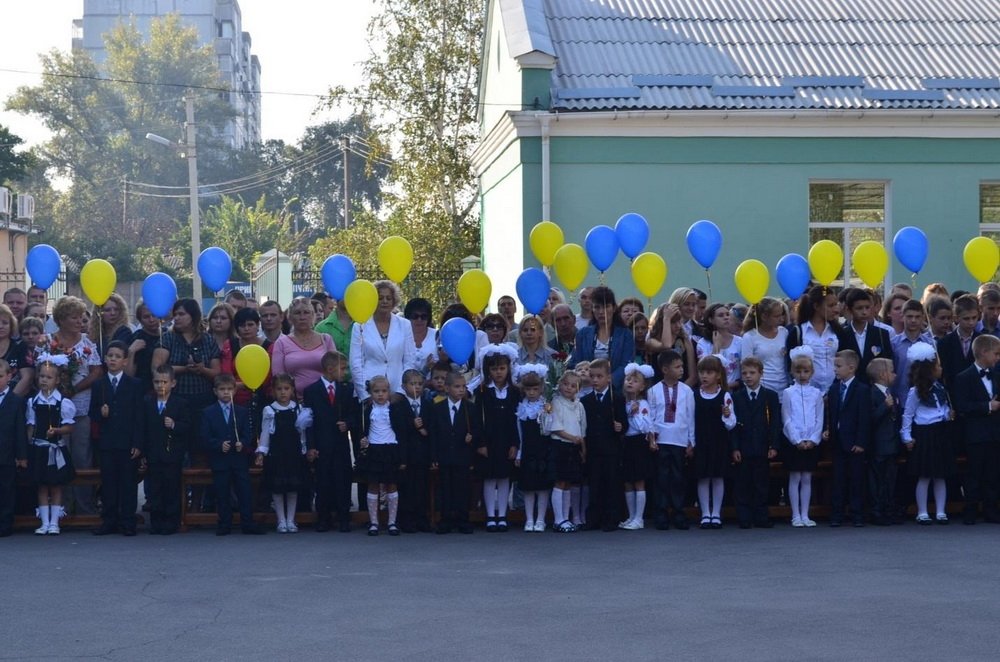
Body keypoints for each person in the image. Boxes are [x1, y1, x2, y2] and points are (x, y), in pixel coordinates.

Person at [38, 295, 102, 515]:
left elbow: (96, 371)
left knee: (82, 456)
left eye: (81, 317)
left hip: (81, 407)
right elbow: (41, 370)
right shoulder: (48, 342)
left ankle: (84, 506)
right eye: (74, 317)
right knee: (59, 454)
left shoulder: (87, 343)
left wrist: (74, 388)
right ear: (61, 319)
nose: (79, 321)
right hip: (54, 408)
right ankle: (63, 507)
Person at [89, 341, 143, 536]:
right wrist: (100, 413)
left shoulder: (134, 384)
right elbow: (92, 413)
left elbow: (139, 416)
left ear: (125, 361)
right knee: (109, 483)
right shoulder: (99, 385)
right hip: (107, 442)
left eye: (117, 356)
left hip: (127, 441)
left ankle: (128, 521)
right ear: (105, 359)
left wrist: (137, 443)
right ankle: (109, 520)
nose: (113, 359)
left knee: (128, 483)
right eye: (110, 356)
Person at [201, 373, 263, 536]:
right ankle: (224, 523)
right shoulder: (208, 412)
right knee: (222, 493)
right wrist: (218, 444)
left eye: (229, 389)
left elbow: (248, 434)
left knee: (244, 491)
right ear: (215, 391)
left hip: (238, 459)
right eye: (222, 389)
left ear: (235, 391)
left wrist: (242, 443)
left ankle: (247, 522)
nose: (226, 392)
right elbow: (205, 436)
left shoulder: (241, 411)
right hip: (220, 460)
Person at [303, 351, 358, 533]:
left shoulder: (346, 389)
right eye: (343, 368)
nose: (345, 372)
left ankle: (344, 517)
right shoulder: (312, 391)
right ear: (330, 369)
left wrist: (347, 423)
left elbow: (353, 414)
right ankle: (323, 518)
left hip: (340, 444)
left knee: (342, 480)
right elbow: (309, 422)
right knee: (323, 481)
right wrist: (311, 446)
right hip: (321, 444)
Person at [901, 343, 954, 525]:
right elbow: (908, 415)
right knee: (924, 475)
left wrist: (948, 415)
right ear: (929, 369)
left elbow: (942, 409)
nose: (941, 368)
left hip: (940, 432)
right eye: (938, 365)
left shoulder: (941, 388)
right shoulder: (915, 392)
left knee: (940, 474)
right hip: (924, 434)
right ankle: (922, 511)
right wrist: (907, 437)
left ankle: (940, 511)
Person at [952, 334, 1000, 525]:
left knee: (993, 473)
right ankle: (970, 508)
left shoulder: (997, 375)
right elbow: (962, 406)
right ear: (984, 352)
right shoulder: (964, 377)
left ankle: (991, 509)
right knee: (973, 473)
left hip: (995, 433)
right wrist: (987, 406)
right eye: (996, 354)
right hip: (975, 434)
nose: (998, 358)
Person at [27, 355, 76, 535]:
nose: (44, 380)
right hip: (39, 449)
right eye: (41, 376)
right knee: (41, 485)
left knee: (55, 485)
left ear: (57, 380)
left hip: (56, 450)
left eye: (48, 377)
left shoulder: (63, 402)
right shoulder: (33, 402)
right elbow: (31, 426)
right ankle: (44, 522)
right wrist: (29, 444)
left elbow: (70, 427)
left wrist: (57, 431)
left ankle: (55, 522)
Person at [256, 373, 311, 534]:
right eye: (279, 389)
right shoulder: (270, 410)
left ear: (292, 390)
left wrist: (304, 449)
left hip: (293, 453)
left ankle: (291, 519)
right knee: (277, 487)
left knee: (293, 487)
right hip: (276, 453)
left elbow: (302, 432)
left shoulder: (298, 409)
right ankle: (281, 519)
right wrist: (261, 452)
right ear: (273, 391)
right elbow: (265, 433)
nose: (283, 392)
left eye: (286, 389)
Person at [730, 357, 780, 529]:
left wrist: (774, 445)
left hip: (762, 446)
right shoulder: (736, 397)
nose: (748, 376)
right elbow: (733, 425)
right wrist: (735, 447)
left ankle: (761, 516)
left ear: (761, 373)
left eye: (752, 373)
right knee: (743, 483)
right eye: (744, 373)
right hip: (743, 447)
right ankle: (744, 516)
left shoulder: (770, 396)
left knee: (761, 483)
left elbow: (775, 423)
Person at [429, 371, 481, 534]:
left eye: (463, 387)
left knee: (462, 488)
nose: (461, 390)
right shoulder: (437, 408)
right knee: (445, 488)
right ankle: (445, 519)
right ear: (447, 388)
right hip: (444, 455)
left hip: (463, 455)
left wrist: (472, 437)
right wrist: (434, 456)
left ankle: (463, 519)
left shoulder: (470, 408)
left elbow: (477, 429)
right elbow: (434, 433)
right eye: (457, 387)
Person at [648, 349, 694, 531]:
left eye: (682, 366)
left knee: (678, 478)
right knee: (661, 479)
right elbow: (651, 417)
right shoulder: (653, 391)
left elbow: (690, 417)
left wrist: (691, 441)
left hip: (680, 441)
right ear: (665, 369)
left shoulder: (687, 391)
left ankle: (679, 513)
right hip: (661, 441)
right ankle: (660, 514)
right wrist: (651, 438)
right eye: (677, 367)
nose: (681, 369)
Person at [475, 343, 519, 532]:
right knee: (489, 477)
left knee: (504, 477)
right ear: (488, 370)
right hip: (489, 440)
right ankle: (490, 515)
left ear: (508, 369)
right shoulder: (482, 391)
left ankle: (502, 514)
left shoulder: (514, 392)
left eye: (502, 368)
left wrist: (515, 444)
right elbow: (478, 419)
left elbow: (517, 419)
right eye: (494, 369)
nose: (498, 372)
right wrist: (481, 443)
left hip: (506, 440)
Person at [357, 374, 409, 536]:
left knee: (391, 484)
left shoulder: (395, 409)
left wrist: (403, 457)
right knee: (373, 485)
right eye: (376, 391)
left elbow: (402, 432)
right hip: (374, 450)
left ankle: (392, 522)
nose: (380, 394)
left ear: (389, 392)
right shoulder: (366, 409)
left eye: (384, 391)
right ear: (370, 393)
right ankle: (374, 522)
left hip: (391, 449)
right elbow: (360, 429)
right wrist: (362, 439)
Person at [142, 364, 190, 535]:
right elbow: (143, 428)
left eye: (164, 382)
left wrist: (175, 425)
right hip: (153, 452)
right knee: (155, 488)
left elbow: (188, 426)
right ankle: (156, 522)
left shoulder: (180, 403)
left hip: (172, 453)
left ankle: (171, 522)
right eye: (157, 382)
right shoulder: (147, 402)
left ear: (173, 383)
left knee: (171, 487)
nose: (160, 385)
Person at [826, 349, 871, 528]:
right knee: (838, 479)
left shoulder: (862, 390)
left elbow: (864, 418)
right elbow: (832, 414)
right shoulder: (834, 389)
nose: (835, 369)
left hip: (854, 443)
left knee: (856, 480)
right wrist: (829, 430)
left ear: (851, 368)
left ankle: (857, 514)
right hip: (838, 441)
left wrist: (861, 441)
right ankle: (836, 514)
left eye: (838, 366)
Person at [350, 281, 417, 400]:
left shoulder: (405, 325)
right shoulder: (359, 325)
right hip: (369, 390)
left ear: (394, 301)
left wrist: (401, 391)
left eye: (388, 298)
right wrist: (365, 395)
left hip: (397, 390)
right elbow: (356, 363)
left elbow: (410, 360)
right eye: (380, 298)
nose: (385, 301)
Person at [579, 358, 625, 532]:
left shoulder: (617, 398)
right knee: (594, 484)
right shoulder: (586, 401)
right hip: (593, 448)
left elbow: (624, 422)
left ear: (609, 378)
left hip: (611, 449)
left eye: (599, 376)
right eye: (592, 376)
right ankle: (593, 518)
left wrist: (620, 426)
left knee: (611, 484)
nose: (595, 380)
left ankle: (611, 518)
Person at [782, 346, 824, 527]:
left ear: (812, 372)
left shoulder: (816, 394)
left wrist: (813, 439)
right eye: (798, 371)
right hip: (795, 442)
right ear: (792, 372)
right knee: (795, 477)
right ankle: (795, 515)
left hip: (811, 441)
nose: (802, 375)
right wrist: (797, 440)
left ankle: (805, 514)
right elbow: (786, 418)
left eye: (806, 371)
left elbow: (819, 418)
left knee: (807, 477)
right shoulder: (788, 393)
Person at [540, 370, 586, 533]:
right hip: (560, 446)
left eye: (573, 386)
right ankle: (558, 519)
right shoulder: (556, 402)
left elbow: (582, 429)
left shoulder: (579, 405)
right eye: (565, 384)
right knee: (559, 482)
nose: (568, 388)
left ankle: (566, 518)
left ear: (578, 389)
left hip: (574, 448)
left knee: (568, 483)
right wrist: (572, 438)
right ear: (559, 384)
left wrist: (583, 449)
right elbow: (555, 427)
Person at [693, 355, 736, 529]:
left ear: (718, 375)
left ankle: (716, 512)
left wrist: (727, 415)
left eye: (709, 372)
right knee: (703, 477)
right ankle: (705, 513)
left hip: (719, 442)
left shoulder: (725, 395)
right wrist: (691, 441)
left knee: (718, 477)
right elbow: (690, 419)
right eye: (702, 372)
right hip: (701, 441)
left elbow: (731, 423)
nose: (704, 376)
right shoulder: (695, 395)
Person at [569, 286, 635, 390]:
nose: (601, 312)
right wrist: (587, 378)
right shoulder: (582, 334)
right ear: (592, 309)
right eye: (597, 307)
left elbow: (626, 364)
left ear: (614, 308)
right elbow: (575, 362)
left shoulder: (625, 334)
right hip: (586, 389)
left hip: (616, 390)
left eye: (606, 307)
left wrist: (607, 381)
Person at [513, 363, 551, 532]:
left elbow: (549, 429)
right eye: (528, 389)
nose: (532, 393)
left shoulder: (546, 406)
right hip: (527, 450)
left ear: (541, 388)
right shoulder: (521, 408)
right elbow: (519, 433)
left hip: (542, 450)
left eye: (535, 389)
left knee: (542, 487)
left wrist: (547, 414)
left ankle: (541, 519)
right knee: (528, 487)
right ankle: (529, 519)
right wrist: (519, 453)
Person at [272, 297, 335, 398]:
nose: (302, 317)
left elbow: (335, 372)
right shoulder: (281, 343)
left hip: (324, 399)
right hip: (293, 400)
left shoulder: (326, 339)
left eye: (306, 312)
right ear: (290, 317)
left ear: (313, 315)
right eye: (297, 313)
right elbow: (278, 377)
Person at [619, 363, 654, 530]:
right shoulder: (623, 403)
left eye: (634, 381)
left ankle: (639, 518)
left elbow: (644, 427)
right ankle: (631, 516)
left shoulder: (643, 404)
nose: (630, 383)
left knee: (639, 480)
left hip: (639, 442)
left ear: (642, 386)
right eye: (628, 379)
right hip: (626, 442)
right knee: (627, 481)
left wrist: (634, 414)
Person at [787, 285, 841, 392]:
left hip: (834, 390)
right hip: (807, 390)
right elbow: (790, 364)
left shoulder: (838, 331)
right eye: (830, 306)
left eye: (836, 304)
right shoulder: (798, 332)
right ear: (816, 306)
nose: (835, 310)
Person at [398, 369, 433, 533]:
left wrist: (425, 429)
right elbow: (398, 428)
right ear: (403, 386)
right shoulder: (398, 406)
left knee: (422, 487)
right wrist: (412, 424)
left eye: (419, 384)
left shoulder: (428, 404)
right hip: (407, 454)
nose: (416, 387)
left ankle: (422, 518)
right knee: (407, 488)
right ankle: (407, 519)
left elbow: (433, 427)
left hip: (423, 454)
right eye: (412, 384)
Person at [867, 358, 900, 526]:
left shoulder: (891, 393)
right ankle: (876, 511)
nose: (895, 374)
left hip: (892, 444)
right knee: (877, 479)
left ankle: (889, 509)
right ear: (882, 375)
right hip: (879, 445)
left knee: (890, 479)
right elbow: (869, 419)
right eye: (892, 371)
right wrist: (885, 407)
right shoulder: (872, 393)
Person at [0, 359, 26, 537]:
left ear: (9, 376)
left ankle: (5, 523)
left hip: (7, 453)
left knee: (6, 489)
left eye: (0, 376)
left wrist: (21, 455)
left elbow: (20, 430)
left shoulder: (16, 401)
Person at [741, 297, 789, 392]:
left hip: (784, 387)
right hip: (763, 388)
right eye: (776, 316)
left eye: (781, 315)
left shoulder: (784, 332)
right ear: (764, 317)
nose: (781, 319)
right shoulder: (750, 337)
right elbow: (746, 364)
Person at [891, 299, 934, 406]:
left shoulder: (931, 343)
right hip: (901, 398)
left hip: (925, 398)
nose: (913, 320)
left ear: (923, 318)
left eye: (917, 317)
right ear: (902, 317)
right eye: (909, 316)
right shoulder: (894, 344)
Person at [646, 302, 697, 387]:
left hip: (681, 388)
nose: (678, 325)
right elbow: (666, 346)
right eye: (673, 322)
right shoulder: (651, 341)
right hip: (658, 388)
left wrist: (679, 390)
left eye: (679, 321)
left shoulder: (685, 340)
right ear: (662, 322)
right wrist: (666, 318)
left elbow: (693, 376)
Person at [696, 303, 743, 391]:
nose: (726, 317)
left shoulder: (739, 341)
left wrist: (729, 385)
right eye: (721, 315)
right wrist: (716, 347)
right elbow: (706, 369)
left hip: (736, 390)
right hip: (712, 390)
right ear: (711, 320)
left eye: (727, 314)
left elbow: (744, 368)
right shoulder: (703, 343)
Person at [937, 294, 979, 388]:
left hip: (977, 392)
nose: (971, 322)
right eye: (966, 318)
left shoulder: (982, 340)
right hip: (953, 391)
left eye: (974, 317)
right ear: (956, 318)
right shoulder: (944, 343)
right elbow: (943, 373)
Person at [126, 300, 162, 394]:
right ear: (140, 320)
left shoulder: (167, 335)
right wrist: (131, 351)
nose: (151, 320)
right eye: (146, 317)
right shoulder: (136, 338)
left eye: (154, 315)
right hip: (143, 390)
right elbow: (129, 376)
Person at [0, 304, 32, 397]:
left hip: (13, 399)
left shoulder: (20, 347)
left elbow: (27, 377)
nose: (0, 326)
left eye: (5, 323)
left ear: (11, 325)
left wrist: (8, 400)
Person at [404, 298, 437, 377]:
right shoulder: (401, 335)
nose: (419, 320)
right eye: (415, 316)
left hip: (432, 383)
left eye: (424, 316)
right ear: (408, 317)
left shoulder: (437, 335)